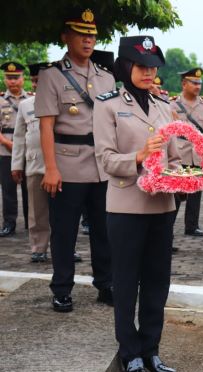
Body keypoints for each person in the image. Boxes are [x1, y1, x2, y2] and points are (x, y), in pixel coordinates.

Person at [94, 35, 179, 372]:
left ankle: (151, 350)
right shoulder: (108, 105)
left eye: (153, 67)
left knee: (158, 280)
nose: (148, 73)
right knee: (127, 282)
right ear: (126, 66)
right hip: (126, 205)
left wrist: (181, 174)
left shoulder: (163, 105)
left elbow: (174, 155)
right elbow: (105, 159)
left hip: (161, 204)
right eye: (142, 66)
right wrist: (140, 157)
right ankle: (129, 354)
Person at [34, 9, 115, 312]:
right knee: (65, 231)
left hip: (101, 166)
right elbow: (46, 126)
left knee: (105, 230)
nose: (87, 40)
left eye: (91, 34)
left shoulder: (106, 77)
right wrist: (51, 168)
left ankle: (106, 284)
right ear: (65, 37)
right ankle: (62, 288)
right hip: (66, 165)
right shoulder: (52, 75)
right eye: (81, 34)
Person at [11, 63, 50, 262]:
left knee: (63, 212)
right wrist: (16, 165)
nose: (36, 84)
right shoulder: (26, 105)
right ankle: (38, 247)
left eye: (40, 81)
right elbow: (19, 137)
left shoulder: (63, 103)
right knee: (36, 210)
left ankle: (65, 247)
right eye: (34, 81)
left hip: (60, 166)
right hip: (35, 165)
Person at [170, 67, 203, 237]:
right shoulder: (171, 104)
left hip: (197, 153)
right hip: (179, 152)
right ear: (184, 84)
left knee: (195, 191)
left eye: (199, 83)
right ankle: (168, 228)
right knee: (175, 193)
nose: (197, 86)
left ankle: (192, 225)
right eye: (193, 83)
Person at [0, 61, 30, 237]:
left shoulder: (32, 99)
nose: (12, 81)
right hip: (5, 151)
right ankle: (9, 223)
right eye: (9, 78)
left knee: (30, 189)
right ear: (4, 79)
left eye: (16, 77)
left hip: (28, 150)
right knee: (8, 189)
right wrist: (6, 143)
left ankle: (30, 222)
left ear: (22, 78)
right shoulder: (1, 101)